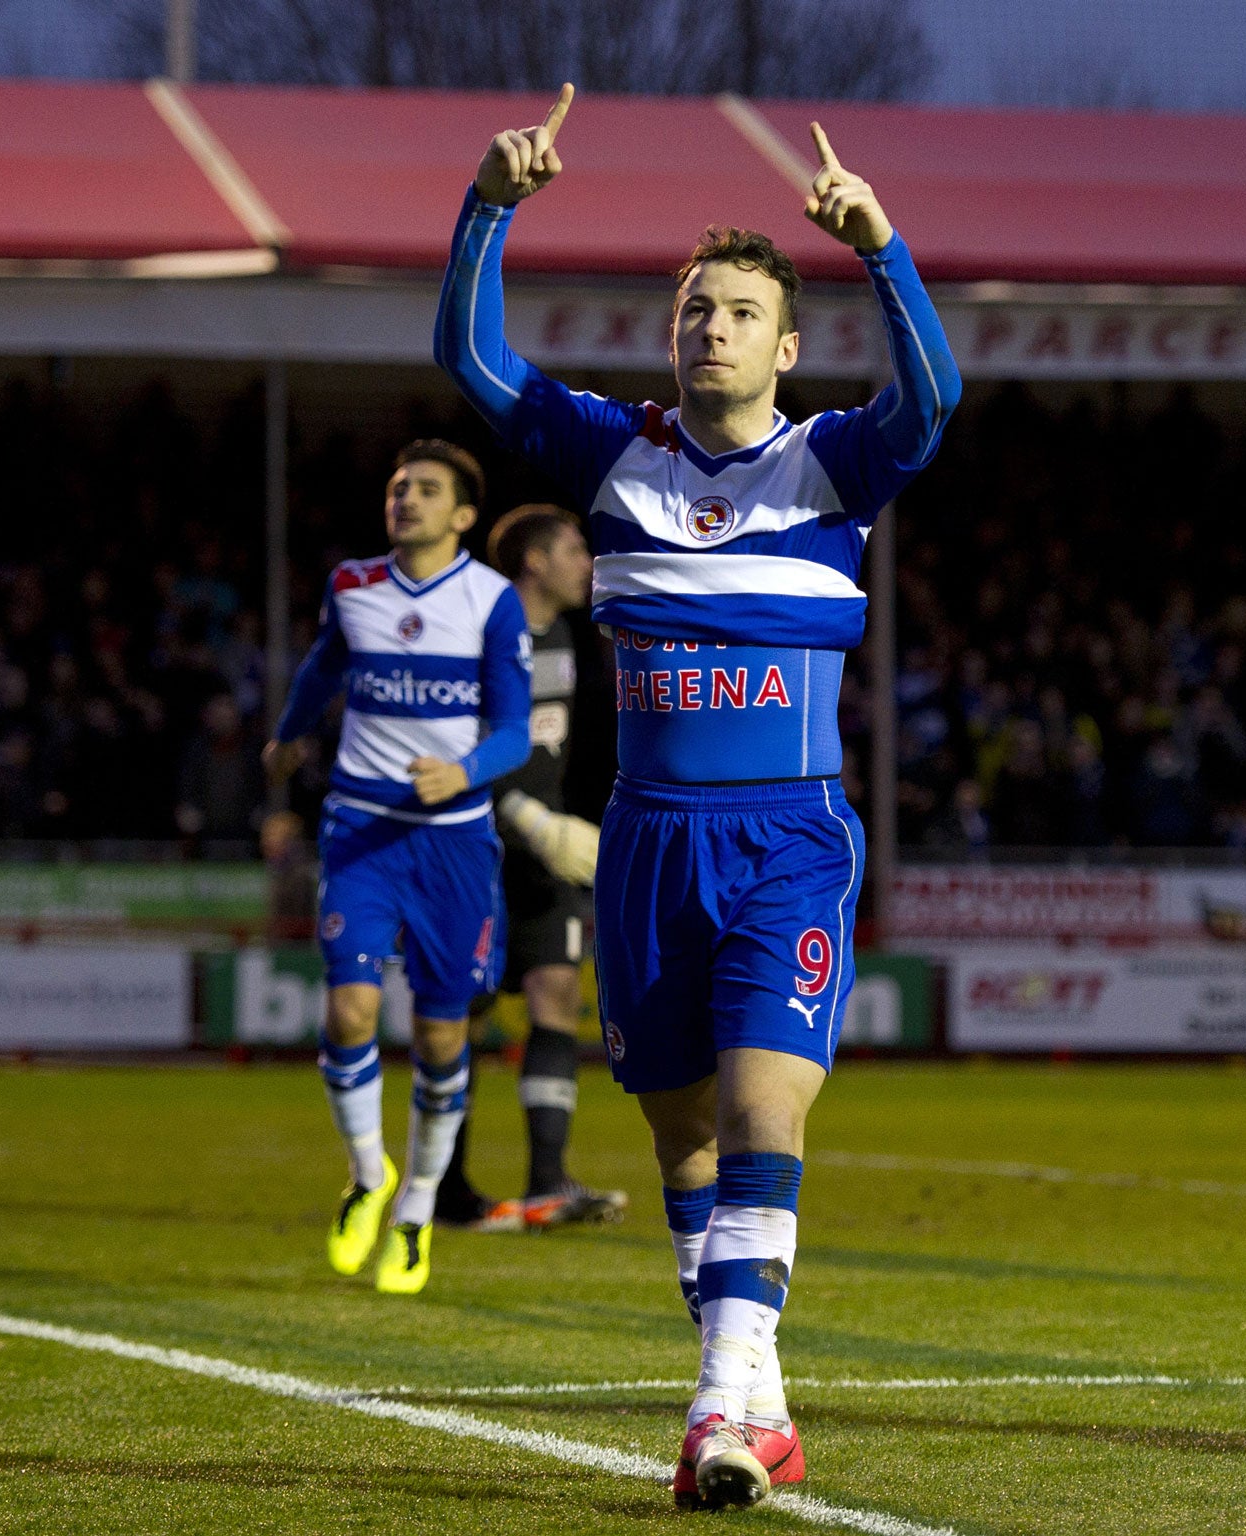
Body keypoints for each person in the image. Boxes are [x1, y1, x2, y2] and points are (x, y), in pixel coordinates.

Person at [436, 86, 959, 1508]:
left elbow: (937, 399)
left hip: (789, 838)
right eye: (693, 308)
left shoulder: (833, 466)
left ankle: (718, 1408)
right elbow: (473, 364)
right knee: (681, 1140)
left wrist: (880, 245)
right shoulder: (621, 456)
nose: (708, 325)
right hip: (650, 842)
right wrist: (491, 205)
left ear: (787, 345)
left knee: (759, 1115)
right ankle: (760, 1399)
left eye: (736, 310)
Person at [264, 440, 532, 1296]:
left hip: (453, 842)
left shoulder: (492, 602)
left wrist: (467, 771)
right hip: (362, 832)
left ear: (462, 516)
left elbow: (515, 730)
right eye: (396, 486)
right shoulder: (353, 586)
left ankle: (415, 1208)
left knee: (444, 1034)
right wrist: (288, 733)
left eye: (425, 489)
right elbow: (323, 668)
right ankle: (367, 1174)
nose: (404, 498)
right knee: (350, 1010)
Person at [435, 503, 627, 1232]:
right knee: (460, 1018)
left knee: (553, 992)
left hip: (541, 859)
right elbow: (452, 741)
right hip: (476, 848)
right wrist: (525, 816)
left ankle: (547, 1182)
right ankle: (445, 1188)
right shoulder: (480, 632)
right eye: (575, 550)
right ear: (535, 561)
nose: (587, 563)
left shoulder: (569, 636)